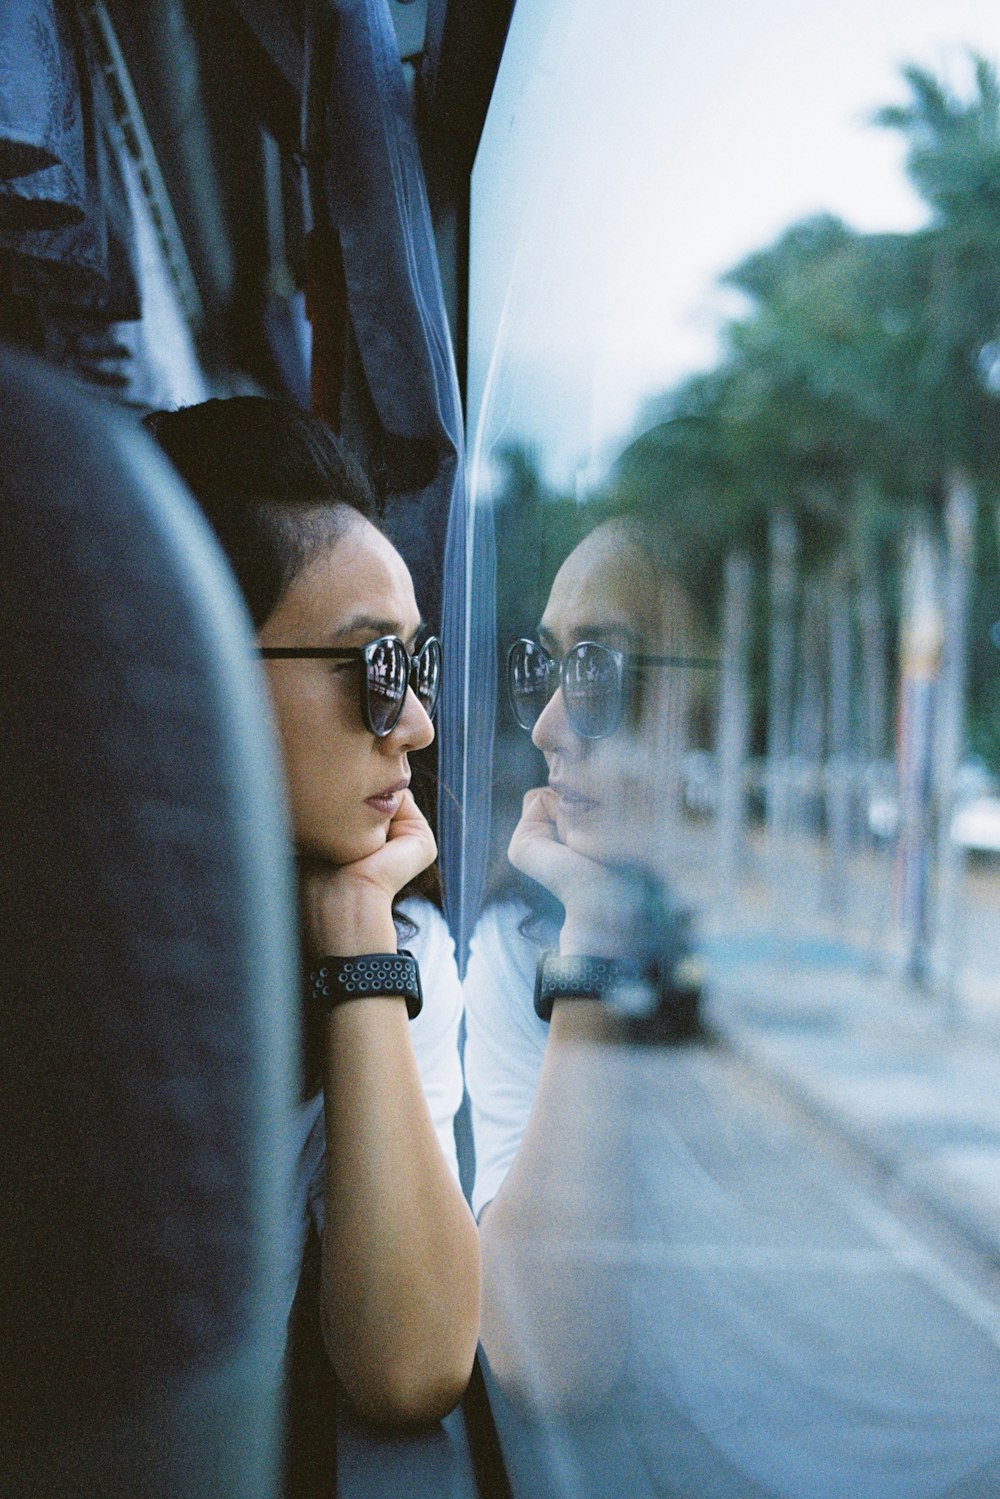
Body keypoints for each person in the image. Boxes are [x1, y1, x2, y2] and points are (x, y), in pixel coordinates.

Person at [147, 397, 480, 1429]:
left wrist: (356, 941)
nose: (416, 722)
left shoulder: (388, 942)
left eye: (416, 665)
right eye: (376, 666)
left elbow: (413, 1364)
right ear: (196, 663)